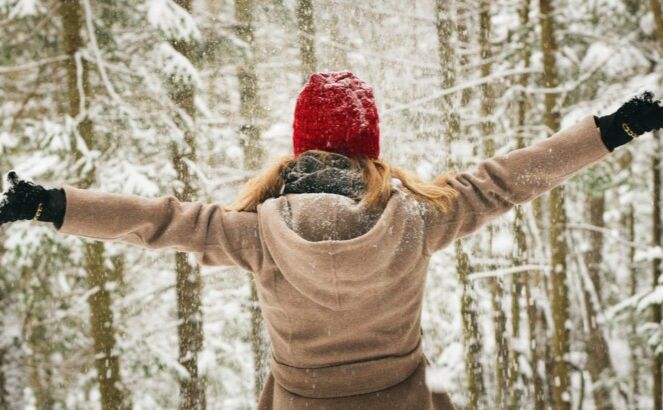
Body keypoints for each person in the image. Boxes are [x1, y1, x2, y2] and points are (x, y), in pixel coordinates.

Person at [1, 71, 662, 409]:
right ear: (370, 150)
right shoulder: (422, 217)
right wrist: (613, 128)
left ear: (298, 149)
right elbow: (507, 181)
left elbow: (161, 221)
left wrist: (47, 204)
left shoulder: (258, 234)